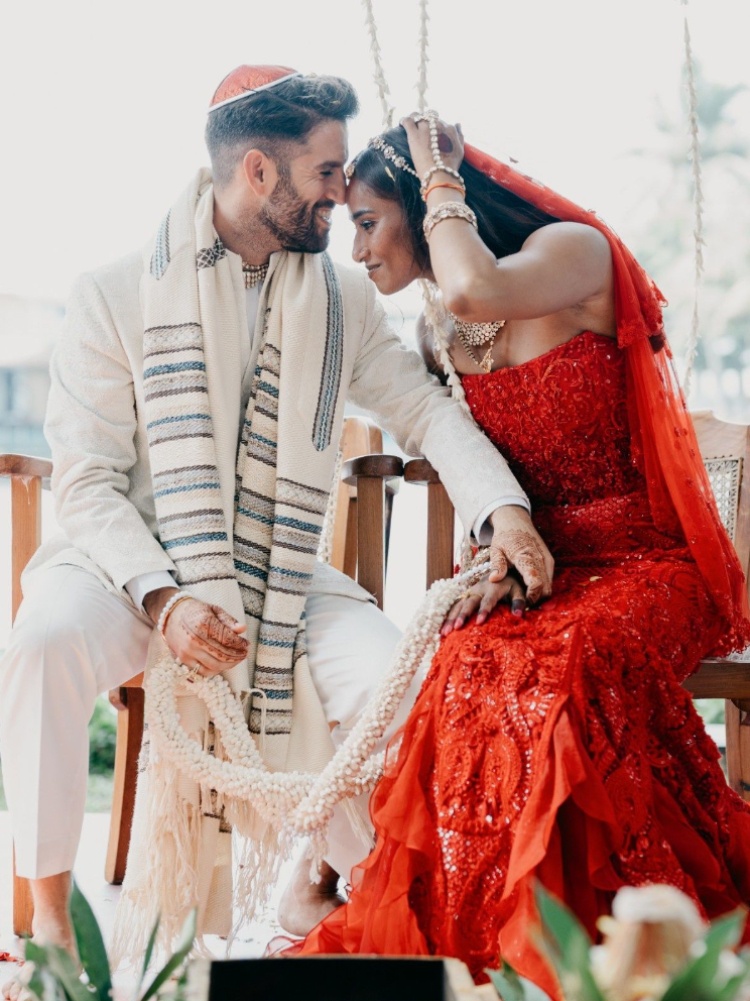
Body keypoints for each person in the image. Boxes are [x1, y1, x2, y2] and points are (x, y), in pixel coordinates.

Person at [0, 67, 555, 986]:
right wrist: (166, 596)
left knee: (392, 675)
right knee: (43, 636)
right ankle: (51, 921)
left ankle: (377, 904)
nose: (345, 194)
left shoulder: (341, 301)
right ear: (259, 171)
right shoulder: (110, 295)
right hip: (129, 564)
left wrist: (507, 510)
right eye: (329, 172)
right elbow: (91, 484)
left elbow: (425, 414)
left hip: (283, 567)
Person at [288, 115, 750, 996]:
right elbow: (498, 476)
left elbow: (473, 290)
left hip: (651, 565)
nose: (357, 246)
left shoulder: (573, 255)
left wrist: (436, 171)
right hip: (552, 572)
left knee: (570, 668)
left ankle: (597, 935)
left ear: (428, 209)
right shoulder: (436, 337)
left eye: (368, 220)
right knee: (464, 659)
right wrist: (491, 548)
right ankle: (487, 932)